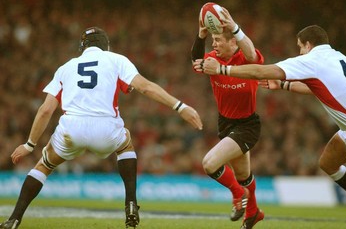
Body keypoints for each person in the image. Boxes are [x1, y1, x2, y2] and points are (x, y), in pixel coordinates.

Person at [196, 24, 346, 226]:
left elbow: (261, 71)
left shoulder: (311, 60)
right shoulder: (337, 57)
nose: (300, 52)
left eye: (300, 47)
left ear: (309, 45)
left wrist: (222, 69)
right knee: (328, 163)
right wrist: (283, 85)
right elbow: (317, 88)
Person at [0, 27, 203, 229]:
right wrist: (180, 106)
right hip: (106, 128)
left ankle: (14, 219)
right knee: (126, 144)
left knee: (43, 166)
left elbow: (45, 110)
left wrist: (29, 144)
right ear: (106, 46)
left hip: (72, 128)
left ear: (83, 47)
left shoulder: (65, 67)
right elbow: (145, 87)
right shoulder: (116, 59)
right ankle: (131, 203)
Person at [191, 6, 264, 229]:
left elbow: (251, 51)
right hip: (226, 123)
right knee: (243, 175)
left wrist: (234, 28)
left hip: (247, 125)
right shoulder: (212, 59)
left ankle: (236, 194)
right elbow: (196, 60)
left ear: (233, 42)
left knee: (209, 164)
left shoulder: (246, 59)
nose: (214, 45)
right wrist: (201, 35)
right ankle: (252, 213)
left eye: (218, 40)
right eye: (212, 40)